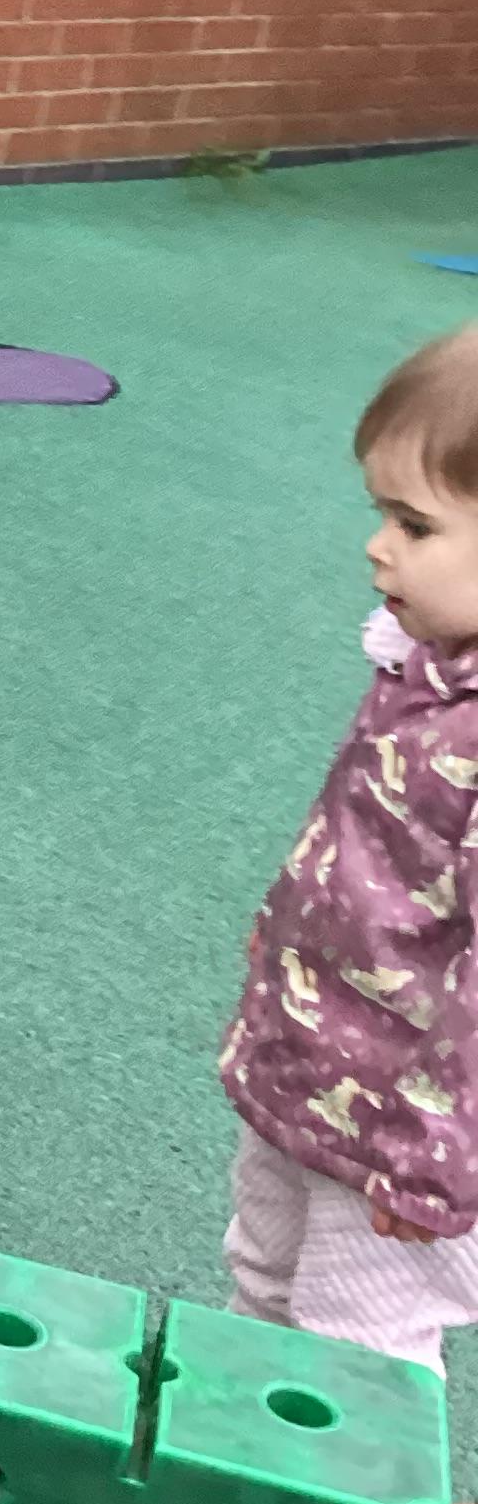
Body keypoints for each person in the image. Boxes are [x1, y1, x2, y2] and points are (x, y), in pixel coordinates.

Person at [222, 323, 478, 1376]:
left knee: (359, 1352)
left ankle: (321, 1494)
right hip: (319, 1058)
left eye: (414, 524)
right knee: (263, 1279)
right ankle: (239, 1453)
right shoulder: (427, 665)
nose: (379, 546)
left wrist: (434, 1161)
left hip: (416, 1134)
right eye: (382, 513)